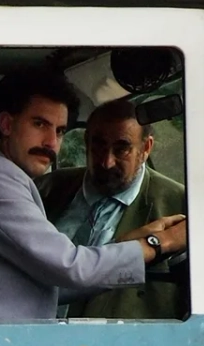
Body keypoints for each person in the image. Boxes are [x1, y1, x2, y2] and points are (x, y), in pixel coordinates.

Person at [0, 68, 186, 322]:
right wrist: (159, 244)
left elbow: (52, 286)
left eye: (60, 131)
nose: (51, 143)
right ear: (7, 124)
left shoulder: (177, 199)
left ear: (146, 148)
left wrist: (126, 245)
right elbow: (69, 267)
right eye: (40, 124)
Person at [40, 98, 188, 320]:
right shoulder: (45, 190)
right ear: (86, 141)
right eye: (98, 145)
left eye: (122, 149)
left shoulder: (179, 205)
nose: (106, 162)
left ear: (146, 148)